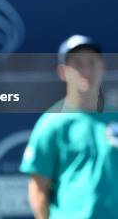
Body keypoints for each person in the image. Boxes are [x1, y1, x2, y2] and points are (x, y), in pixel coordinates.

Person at [20, 35, 118, 218]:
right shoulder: (52, 123)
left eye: (92, 63)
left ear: (102, 67)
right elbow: (38, 188)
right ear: (63, 72)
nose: (86, 70)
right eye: (78, 64)